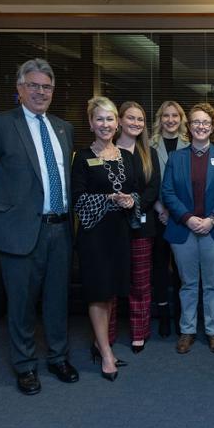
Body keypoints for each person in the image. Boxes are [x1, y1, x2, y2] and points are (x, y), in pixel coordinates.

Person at [0, 58, 78, 395]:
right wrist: (5, 214)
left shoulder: (63, 128)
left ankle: (58, 357)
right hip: (19, 233)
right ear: (19, 88)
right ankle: (25, 365)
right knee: (20, 303)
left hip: (59, 229)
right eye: (34, 85)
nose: (40, 92)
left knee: (58, 300)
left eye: (46, 87)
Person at [72, 96, 140, 381]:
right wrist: (109, 199)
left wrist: (129, 200)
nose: (105, 124)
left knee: (111, 293)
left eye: (110, 119)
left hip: (119, 234)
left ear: (117, 123)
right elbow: (77, 200)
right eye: (99, 119)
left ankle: (103, 346)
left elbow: (136, 191)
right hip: (94, 236)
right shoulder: (83, 157)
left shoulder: (126, 156)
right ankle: (106, 353)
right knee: (98, 294)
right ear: (90, 123)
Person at [162, 103, 214, 355]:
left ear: (213, 126)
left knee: (213, 284)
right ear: (189, 126)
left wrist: (212, 219)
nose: (201, 126)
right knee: (188, 284)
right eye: (196, 122)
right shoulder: (176, 158)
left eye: (206, 122)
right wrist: (187, 218)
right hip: (183, 229)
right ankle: (188, 331)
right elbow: (168, 192)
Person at [115, 101, 161, 353]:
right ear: (119, 120)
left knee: (141, 283)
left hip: (142, 226)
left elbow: (154, 187)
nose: (135, 123)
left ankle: (139, 332)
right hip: (112, 226)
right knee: (112, 283)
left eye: (140, 119)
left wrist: (134, 202)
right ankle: (107, 334)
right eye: (130, 118)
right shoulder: (108, 151)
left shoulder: (149, 153)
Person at [150, 101, 190, 337]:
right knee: (160, 267)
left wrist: (176, 212)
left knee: (181, 269)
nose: (171, 119)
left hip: (181, 215)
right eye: (166, 115)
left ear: (181, 118)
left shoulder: (189, 143)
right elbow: (146, 181)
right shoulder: (149, 145)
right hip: (157, 214)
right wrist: (159, 209)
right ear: (160, 118)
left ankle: (180, 315)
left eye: (175, 115)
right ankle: (164, 314)